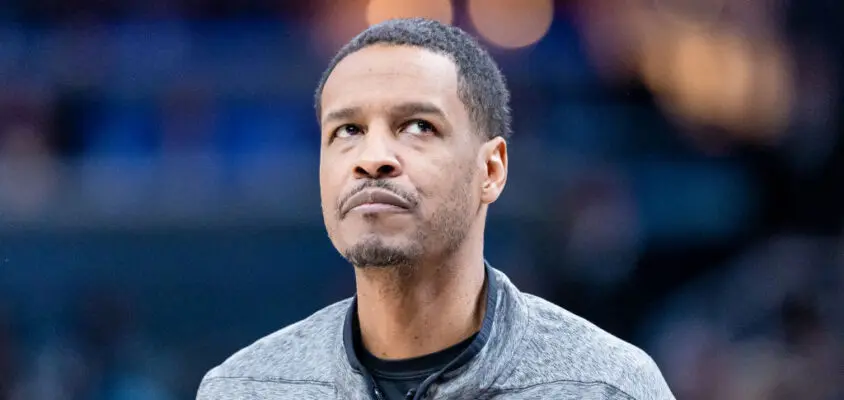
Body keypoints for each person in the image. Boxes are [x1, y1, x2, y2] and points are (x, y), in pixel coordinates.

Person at [197, 18, 675, 400]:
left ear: (491, 170)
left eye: (418, 126)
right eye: (347, 130)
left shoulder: (606, 387)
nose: (372, 157)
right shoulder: (243, 389)